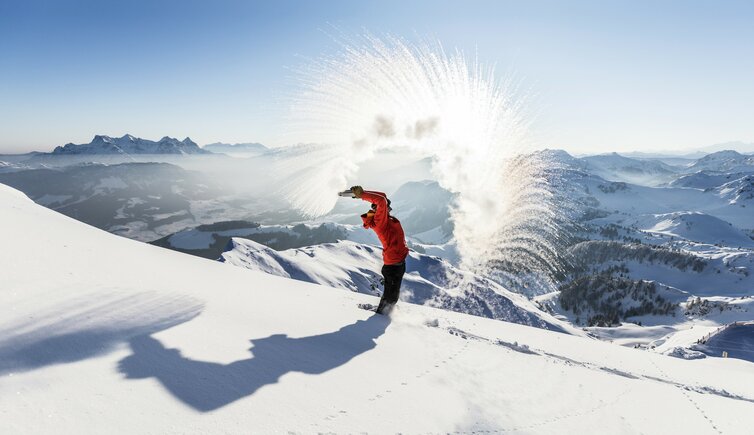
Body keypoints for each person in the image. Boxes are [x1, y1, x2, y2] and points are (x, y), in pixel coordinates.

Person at [350, 185, 409, 315]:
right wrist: (363, 195)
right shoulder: (380, 222)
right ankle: (381, 317)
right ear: (379, 211)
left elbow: (383, 197)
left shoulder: (385, 219)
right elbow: (381, 200)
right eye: (387, 208)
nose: (389, 209)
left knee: (392, 296)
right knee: (391, 297)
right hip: (393, 265)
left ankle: (386, 312)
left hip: (398, 263)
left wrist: (362, 193)